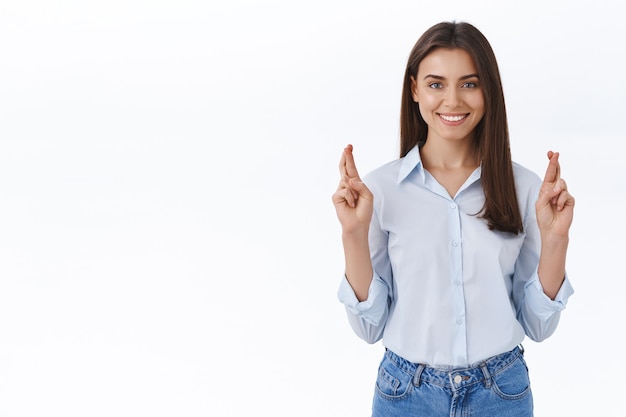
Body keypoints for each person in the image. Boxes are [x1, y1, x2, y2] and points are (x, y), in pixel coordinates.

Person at [332, 21, 574, 417]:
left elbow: (538, 326)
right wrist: (353, 233)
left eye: (469, 84)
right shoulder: (378, 191)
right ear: (414, 90)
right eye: (436, 84)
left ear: (487, 90)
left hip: (501, 392)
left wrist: (556, 239)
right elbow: (369, 328)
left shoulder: (527, 189)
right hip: (406, 394)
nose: (452, 100)